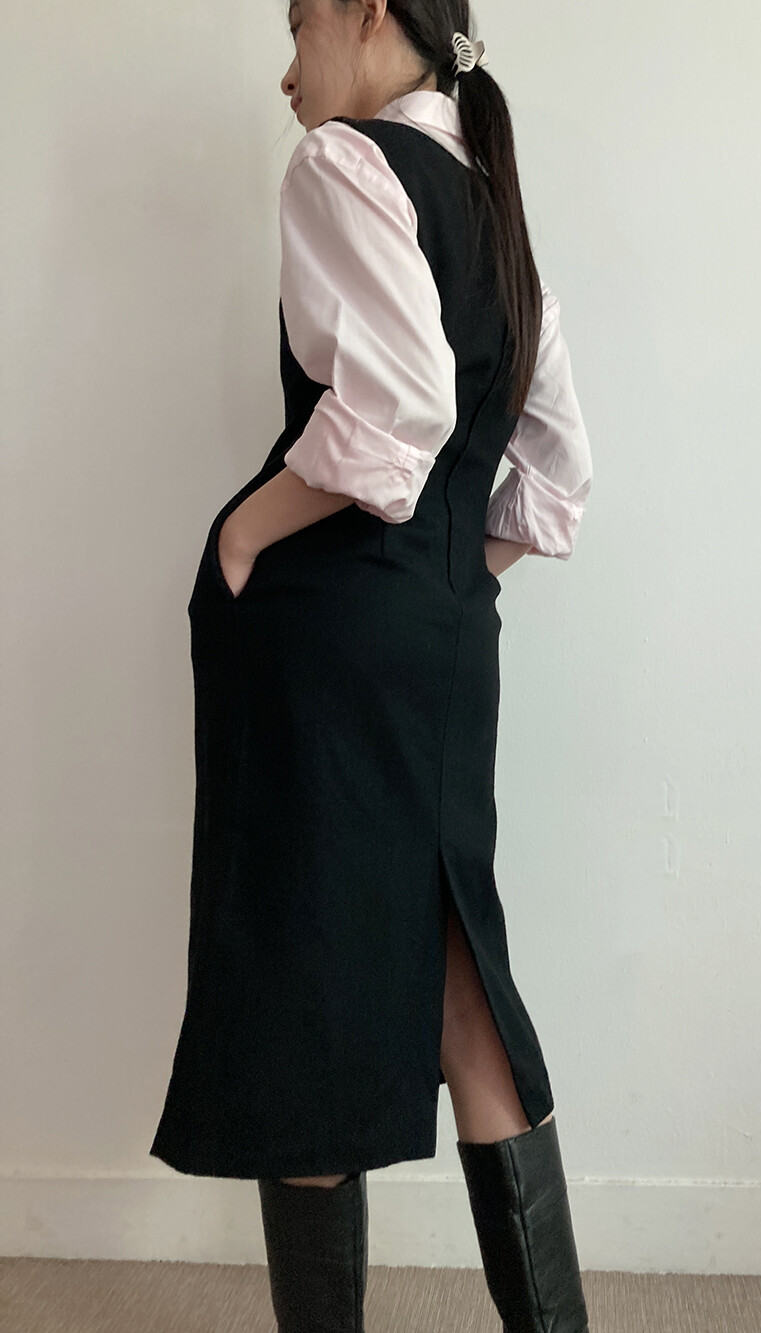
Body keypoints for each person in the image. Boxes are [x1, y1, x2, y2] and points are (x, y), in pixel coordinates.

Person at [148, 2, 593, 1329]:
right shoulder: (495, 203)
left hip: (325, 652)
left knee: (306, 997)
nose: (288, 73)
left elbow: (395, 414)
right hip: (447, 647)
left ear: (363, 8)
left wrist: (246, 529)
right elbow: (555, 475)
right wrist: (447, 580)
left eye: (298, 27)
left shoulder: (342, 162)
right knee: (464, 989)